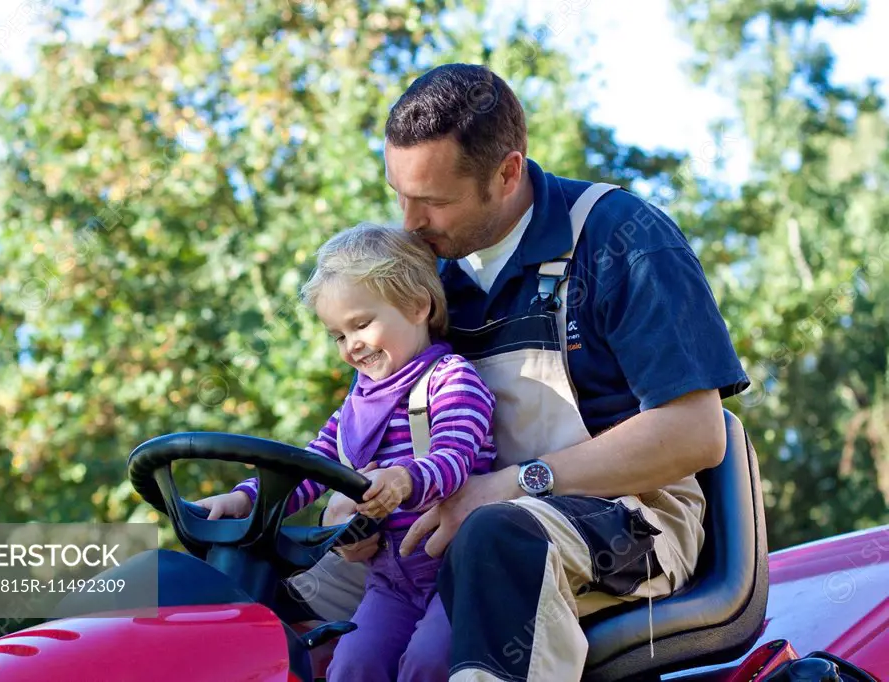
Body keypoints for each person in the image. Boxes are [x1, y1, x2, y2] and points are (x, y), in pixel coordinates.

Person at [286, 63, 751, 681]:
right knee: (249, 580)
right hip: (437, 535)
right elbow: (369, 433)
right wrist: (346, 515)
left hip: (628, 527)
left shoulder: (620, 238)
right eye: (401, 194)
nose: (409, 223)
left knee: (496, 539)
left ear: (507, 172)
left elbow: (695, 434)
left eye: (432, 201)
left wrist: (507, 486)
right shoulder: (422, 274)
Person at [194, 222, 498, 682]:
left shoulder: (450, 380)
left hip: (455, 573)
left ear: (418, 306)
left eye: (361, 324)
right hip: (390, 584)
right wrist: (245, 499)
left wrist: (405, 478)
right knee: (351, 665)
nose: (351, 345)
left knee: (428, 663)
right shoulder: (355, 407)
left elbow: (455, 458)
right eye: (337, 335)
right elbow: (308, 468)